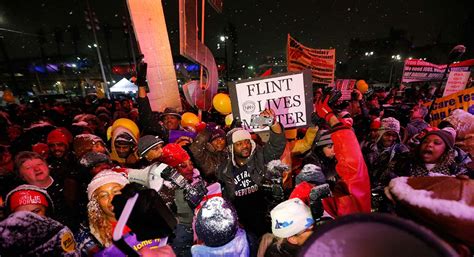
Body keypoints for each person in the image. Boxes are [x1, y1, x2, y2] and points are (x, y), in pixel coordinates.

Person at [217, 108, 286, 238]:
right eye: (239, 143)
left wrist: (273, 124)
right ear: (231, 147)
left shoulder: (260, 157)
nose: (245, 146)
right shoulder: (223, 168)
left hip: (267, 217)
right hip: (243, 226)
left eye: (247, 141)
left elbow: (277, 145)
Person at [15, 151, 78, 230]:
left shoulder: (69, 183)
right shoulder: (22, 198)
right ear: (22, 176)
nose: (37, 169)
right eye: (28, 168)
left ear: (47, 166)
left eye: (39, 164)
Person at [390, 129, 471, 178]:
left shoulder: (456, 172)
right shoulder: (402, 165)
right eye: (425, 142)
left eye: (437, 143)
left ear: (446, 150)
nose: (429, 145)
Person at [86, 170, 129, 248]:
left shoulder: (148, 218)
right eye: (103, 195)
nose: (112, 199)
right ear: (96, 203)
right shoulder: (92, 239)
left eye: (116, 191)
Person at [364, 117, 409, 188]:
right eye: (387, 134)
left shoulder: (402, 151)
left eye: (394, 135)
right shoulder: (368, 147)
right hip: (368, 186)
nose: (391, 138)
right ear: (381, 133)